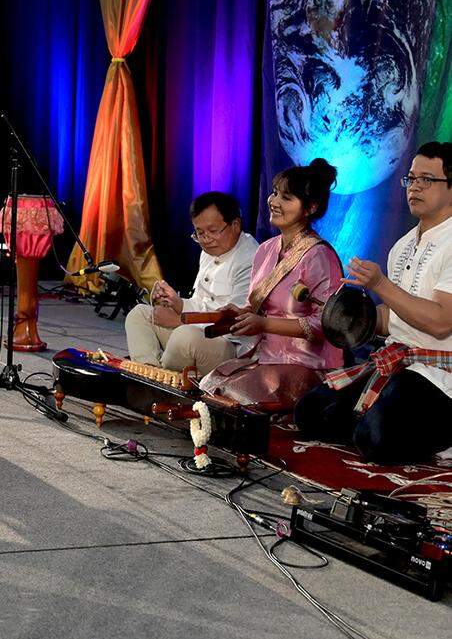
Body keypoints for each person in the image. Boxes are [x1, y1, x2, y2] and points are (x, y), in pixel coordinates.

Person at [295, 142, 452, 463]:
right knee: (310, 413)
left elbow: (440, 322)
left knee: (375, 436)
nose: (415, 187)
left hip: (440, 377)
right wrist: (352, 317)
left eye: (427, 179)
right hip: (398, 363)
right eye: (411, 179)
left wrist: (380, 283)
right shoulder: (403, 245)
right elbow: (394, 315)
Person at [199, 159, 344, 411]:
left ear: (310, 208)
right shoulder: (266, 250)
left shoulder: (320, 256)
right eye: (275, 193)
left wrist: (264, 324)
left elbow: (326, 324)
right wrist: (241, 315)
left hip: (307, 365)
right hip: (265, 357)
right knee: (210, 384)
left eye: (286, 198)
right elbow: (258, 310)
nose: (273, 201)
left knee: (236, 397)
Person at [125, 191, 259, 376]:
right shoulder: (209, 252)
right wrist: (177, 303)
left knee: (184, 336)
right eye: (199, 233)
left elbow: (235, 323)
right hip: (197, 332)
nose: (206, 239)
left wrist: (179, 321)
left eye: (212, 231)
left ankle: (163, 379)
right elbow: (201, 303)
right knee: (139, 314)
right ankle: (150, 373)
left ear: (235, 224)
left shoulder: (251, 258)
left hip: (229, 346)